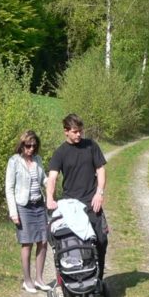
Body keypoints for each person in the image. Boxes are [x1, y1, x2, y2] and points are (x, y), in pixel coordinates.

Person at [46, 114, 108, 279]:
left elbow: (101, 169)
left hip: (91, 201)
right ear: (66, 131)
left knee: (101, 241)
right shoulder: (60, 152)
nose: (79, 135)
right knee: (69, 243)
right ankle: (72, 278)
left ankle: (97, 278)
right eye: (75, 131)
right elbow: (52, 177)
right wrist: (50, 198)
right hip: (71, 205)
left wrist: (99, 193)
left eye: (80, 131)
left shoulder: (91, 146)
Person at [5, 130, 51, 293]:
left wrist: (50, 181)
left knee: (43, 241)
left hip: (39, 205)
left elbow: (43, 179)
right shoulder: (14, 161)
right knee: (27, 243)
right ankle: (27, 280)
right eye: (28, 145)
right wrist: (13, 212)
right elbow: (9, 189)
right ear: (22, 145)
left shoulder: (37, 160)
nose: (31, 149)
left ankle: (39, 279)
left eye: (34, 145)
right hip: (23, 207)